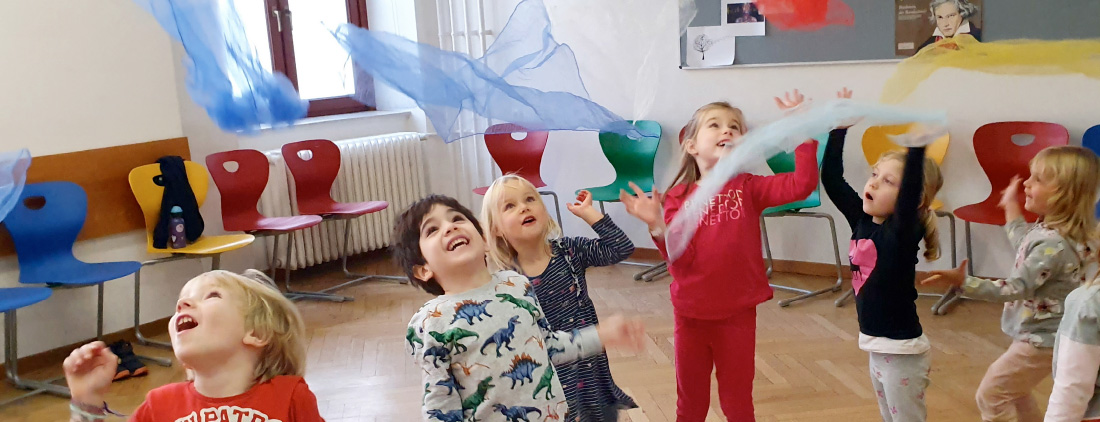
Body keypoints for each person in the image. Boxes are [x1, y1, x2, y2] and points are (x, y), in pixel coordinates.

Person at [619, 94, 818, 421]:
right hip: (691, 315)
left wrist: (802, 131)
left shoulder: (748, 188)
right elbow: (679, 265)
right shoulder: (677, 198)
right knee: (691, 404)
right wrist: (657, 224)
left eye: (735, 127)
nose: (727, 131)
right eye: (716, 125)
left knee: (737, 402)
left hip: (737, 315)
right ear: (691, 145)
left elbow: (802, 184)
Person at [394, 194, 646, 421]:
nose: (450, 227)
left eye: (456, 218)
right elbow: (439, 403)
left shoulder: (516, 284)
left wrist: (600, 336)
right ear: (423, 269)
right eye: (432, 230)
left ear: (484, 240)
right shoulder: (430, 323)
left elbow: (547, 344)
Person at [924, 146, 1100, 422]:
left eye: (1038, 180)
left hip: (1041, 339)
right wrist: (1011, 206)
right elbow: (1023, 242)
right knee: (1015, 391)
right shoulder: (1059, 232)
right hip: (1048, 334)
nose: (1027, 184)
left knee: (991, 395)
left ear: (1064, 193)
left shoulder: (1052, 244)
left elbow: (1014, 288)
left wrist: (964, 283)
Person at [64, 270, 324, 422]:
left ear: (255, 332)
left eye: (211, 295)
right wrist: (87, 400)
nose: (182, 305)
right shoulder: (159, 406)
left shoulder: (290, 397)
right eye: (181, 300)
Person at [481, 175, 637, 421]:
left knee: (601, 414)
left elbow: (620, 249)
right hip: (548, 373)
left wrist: (589, 214)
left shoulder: (570, 251)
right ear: (495, 229)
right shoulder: (506, 282)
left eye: (530, 199)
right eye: (509, 206)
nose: (524, 207)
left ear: (544, 210)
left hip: (589, 364)